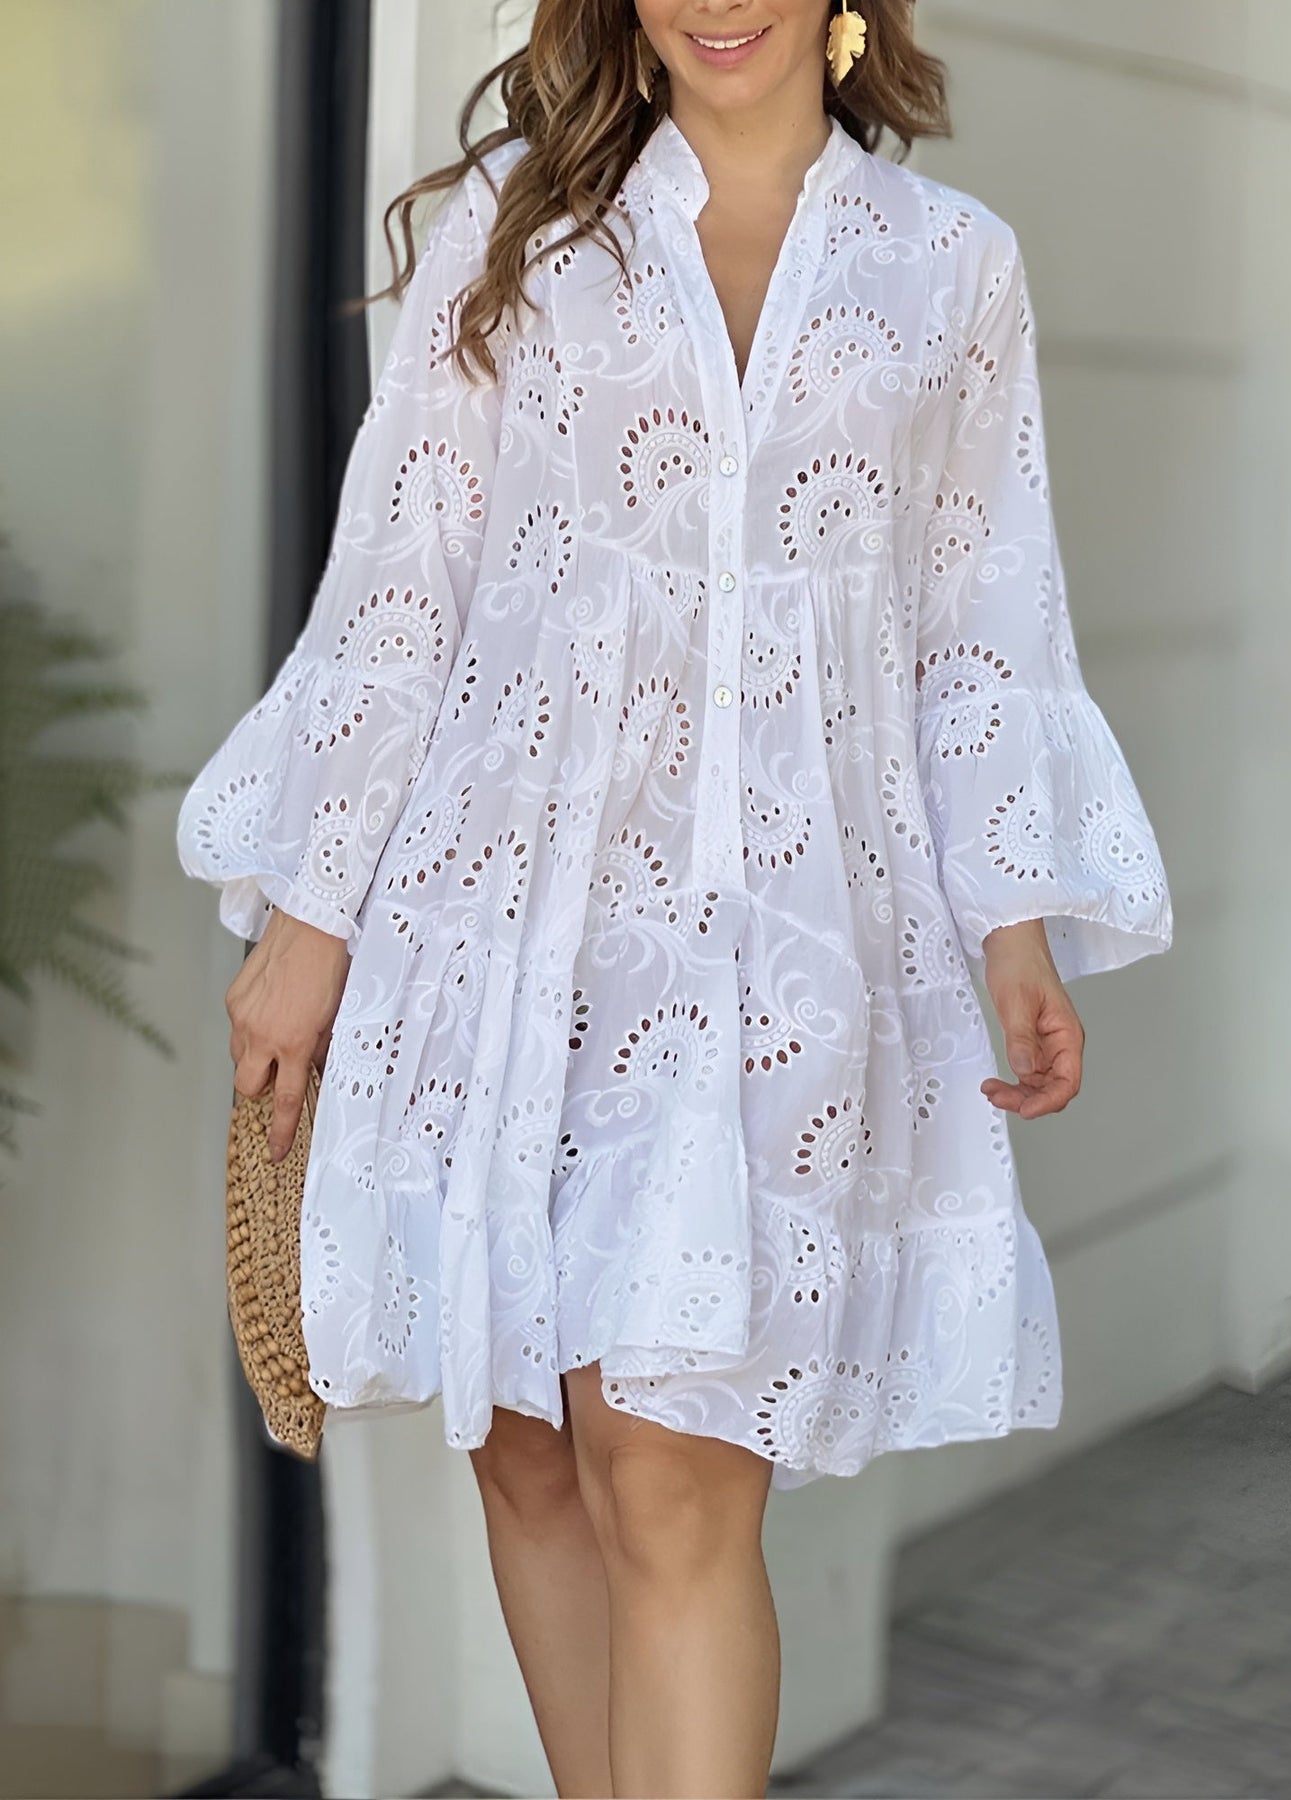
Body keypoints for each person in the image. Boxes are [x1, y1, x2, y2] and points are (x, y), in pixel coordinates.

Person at [177, 2, 1173, 1794]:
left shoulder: (950, 265)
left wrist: (1013, 918)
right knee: (527, 1450)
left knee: (675, 1470)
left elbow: (983, 616)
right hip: (495, 925)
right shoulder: (519, 224)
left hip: (787, 953)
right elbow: (402, 581)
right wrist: (311, 918)